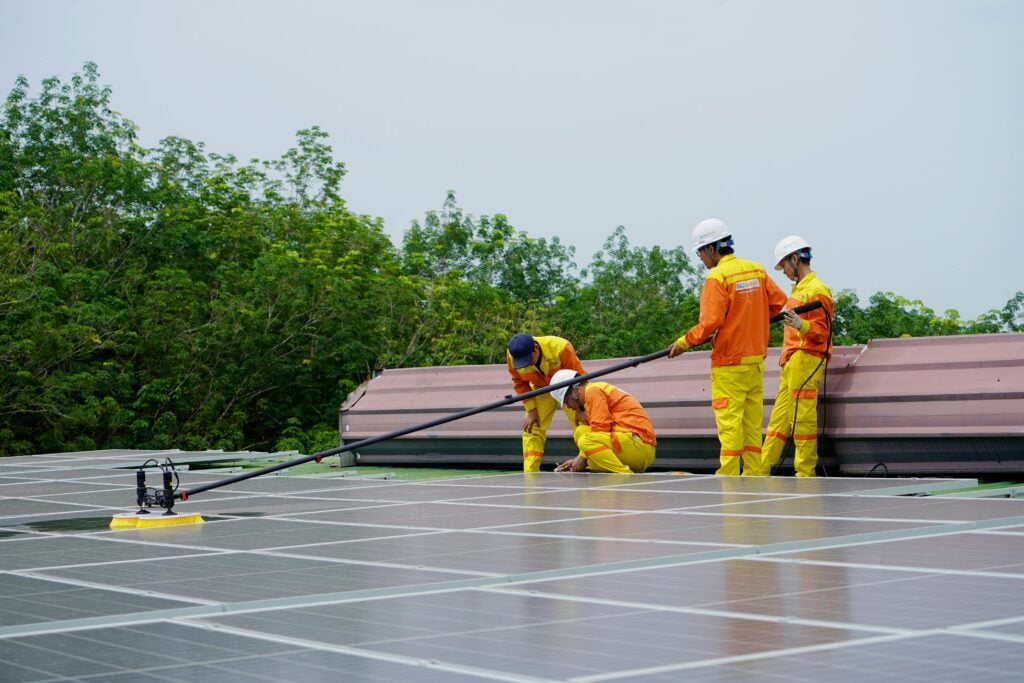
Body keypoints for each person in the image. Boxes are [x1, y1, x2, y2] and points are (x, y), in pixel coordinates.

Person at [668, 218, 787, 476]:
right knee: (752, 427)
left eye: (700, 252)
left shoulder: (718, 276)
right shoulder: (755, 270)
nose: (700, 258)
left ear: (712, 249)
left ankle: (729, 483)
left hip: (729, 365)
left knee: (730, 426)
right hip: (755, 363)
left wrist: (683, 342)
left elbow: (710, 322)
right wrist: (750, 318)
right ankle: (755, 479)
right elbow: (778, 303)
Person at [752, 235, 834, 477]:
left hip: (807, 358)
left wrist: (802, 325)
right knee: (779, 420)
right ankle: (760, 468)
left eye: (785, 266)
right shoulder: (799, 292)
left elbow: (823, 333)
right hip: (792, 360)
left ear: (795, 259)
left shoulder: (818, 291)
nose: (784, 272)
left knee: (802, 418)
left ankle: (805, 473)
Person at [548, 369, 656, 474]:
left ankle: (624, 474)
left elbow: (601, 428)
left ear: (574, 391)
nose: (569, 407)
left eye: (566, 401)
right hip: (634, 445)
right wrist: (580, 460)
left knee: (586, 440)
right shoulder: (595, 389)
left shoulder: (593, 391)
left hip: (640, 448)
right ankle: (596, 466)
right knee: (580, 431)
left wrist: (581, 457)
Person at [507, 333, 586, 472]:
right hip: (540, 390)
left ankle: (586, 460)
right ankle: (530, 473)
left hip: (568, 391)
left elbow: (580, 380)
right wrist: (531, 410)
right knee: (532, 428)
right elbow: (519, 383)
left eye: (528, 359)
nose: (527, 364)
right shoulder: (513, 355)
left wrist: (580, 409)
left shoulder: (561, 348)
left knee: (583, 422)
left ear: (535, 348)